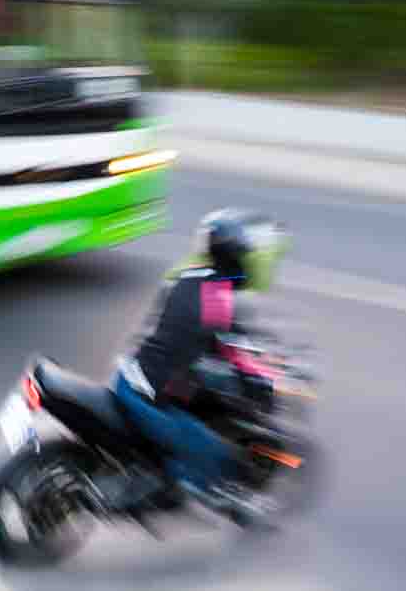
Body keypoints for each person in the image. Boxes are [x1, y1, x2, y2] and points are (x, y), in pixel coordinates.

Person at [112, 208, 290, 522]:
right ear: (237, 258)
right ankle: (208, 494)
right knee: (209, 448)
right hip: (147, 395)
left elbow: (187, 331)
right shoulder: (219, 299)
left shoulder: (185, 279)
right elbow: (236, 350)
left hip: (133, 371)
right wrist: (262, 384)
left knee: (193, 402)